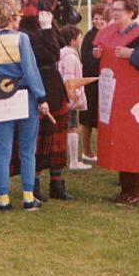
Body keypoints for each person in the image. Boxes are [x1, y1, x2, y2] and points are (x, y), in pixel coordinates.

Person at [92, 0, 139, 204]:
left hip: (137, 100)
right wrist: (99, 53)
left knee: (136, 144)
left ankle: (136, 192)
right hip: (118, 98)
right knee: (121, 142)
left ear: (130, 12)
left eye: (118, 10)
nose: (113, 13)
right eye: (112, 9)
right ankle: (125, 191)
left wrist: (132, 54)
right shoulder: (111, 32)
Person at [0, 0, 50, 211]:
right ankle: (28, 197)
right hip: (23, 95)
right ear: (13, 17)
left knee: (3, 149)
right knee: (27, 149)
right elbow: (30, 71)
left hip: (0, 96)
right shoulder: (21, 39)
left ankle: (3, 199)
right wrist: (41, 97)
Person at [18, 0, 72, 201]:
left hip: (54, 87)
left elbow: (61, 43)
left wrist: (50, 28)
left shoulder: (44, 30)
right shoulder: (26, 35)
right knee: (39, 140)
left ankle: (56, 183)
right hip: (39, 85)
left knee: (57, 137)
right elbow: (52, 53)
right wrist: (47, 30)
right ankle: (36, 184)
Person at [58, 24, 91, 171]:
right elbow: (70, 78)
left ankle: (70, 159)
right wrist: (75, 97)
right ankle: (73, 161)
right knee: (72, 128)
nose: (81, 39)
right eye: (79, 37)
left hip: (65, 96)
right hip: (70, 97)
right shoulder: (70, 57)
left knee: (69, 127)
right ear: (72, 40)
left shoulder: (65, 54)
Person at [79, 4, 107, 162]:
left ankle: (103, 149)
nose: (98, 21)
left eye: (101, 18)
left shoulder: (110, 33)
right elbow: (86, 60)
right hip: (91, 81)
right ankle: (87, 150)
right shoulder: (90, 36)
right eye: (95, 18)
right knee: (87, 118)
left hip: (106, 82)